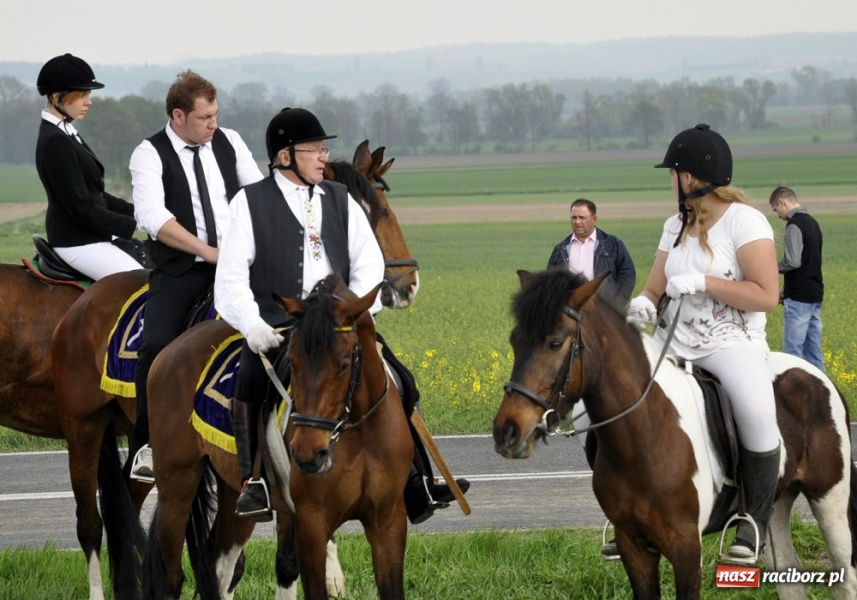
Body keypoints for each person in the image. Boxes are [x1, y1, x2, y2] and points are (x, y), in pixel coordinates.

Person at [214, 107, 469, 522]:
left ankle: (418, 479)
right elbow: (230, 277)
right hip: (281, 321)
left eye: (323, 149)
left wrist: (357, 309)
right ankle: (253, 481)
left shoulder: (340, 198)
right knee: (249, 383)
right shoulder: (250, 202)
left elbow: (368, 262)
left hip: (340, 321)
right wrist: (252, 325)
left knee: (401, 380)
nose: (323, 157)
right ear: (285, 156)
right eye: (314, 149)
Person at [626, 124, 780, 565]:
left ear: (689, 177)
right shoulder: (674, 225)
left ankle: (753, 521)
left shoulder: (745, 221)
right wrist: (643, 303)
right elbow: (654, 287)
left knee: (757, 412)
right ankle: (630, 514)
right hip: (672, 340)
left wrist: (704, 283)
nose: (670, 181)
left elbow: (766, 295)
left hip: (728, 340)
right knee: (620, 395)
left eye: (672, 173)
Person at [128, 70, 263, 481]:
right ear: (179, 115)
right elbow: (151, 217)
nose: (213, 124)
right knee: (155, 346)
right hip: (182, 270)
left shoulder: (230, 141)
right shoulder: (148, 153)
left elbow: (257, 195)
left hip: (237, 268)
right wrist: (207, 251)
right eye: (205, 117)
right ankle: (146, 445)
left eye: (216, 114)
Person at [35, 53, 141, 280]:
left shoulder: (66, 131)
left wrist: (140, 212)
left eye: (88, 94)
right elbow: (81, 207)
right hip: (78, 241)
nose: (88, 101)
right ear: (56, 96)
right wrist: (135, 225)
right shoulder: (55, 141)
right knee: (141, 283)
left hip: (92, 234)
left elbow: (95, 195)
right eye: (81, 95)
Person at [769, 186, 825, 372]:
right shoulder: (813, 223)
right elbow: (810, 263)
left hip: (799, 297)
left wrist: (769, 269)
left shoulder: (794, 224)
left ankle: (795, 390)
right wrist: (788, 288)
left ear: (782, 202)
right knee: (813, 353)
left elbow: (793, 262)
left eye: (776, 209)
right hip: (814, 293)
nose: (778, 215)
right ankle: (822, 388)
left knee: (793, 352)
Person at [547, 198, 636, 306]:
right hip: (570, 309)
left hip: (602, 307)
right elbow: (550, 281)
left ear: (594, 219)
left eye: (582, 218)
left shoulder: (613, 244)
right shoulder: (561, 249)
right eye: (574, 218)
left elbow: (627, 274)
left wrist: (616, 305)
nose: (577, 222)